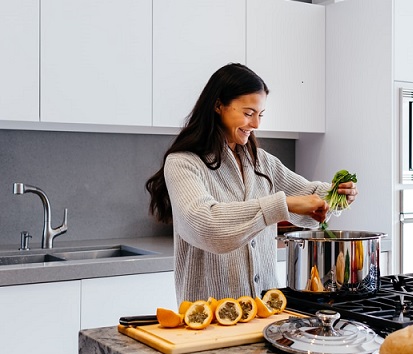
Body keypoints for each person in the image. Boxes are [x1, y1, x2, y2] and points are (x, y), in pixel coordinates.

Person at [146, 63, 357, 303]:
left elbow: (308, 196)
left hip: (267, 311)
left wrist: (336, 195)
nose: (256, 124)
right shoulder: (184, 163)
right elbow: (206, 225)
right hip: (209, 317)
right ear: (218, 106)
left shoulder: (262, 162)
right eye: (248, 113)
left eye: (260, 114)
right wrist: (283, 205)